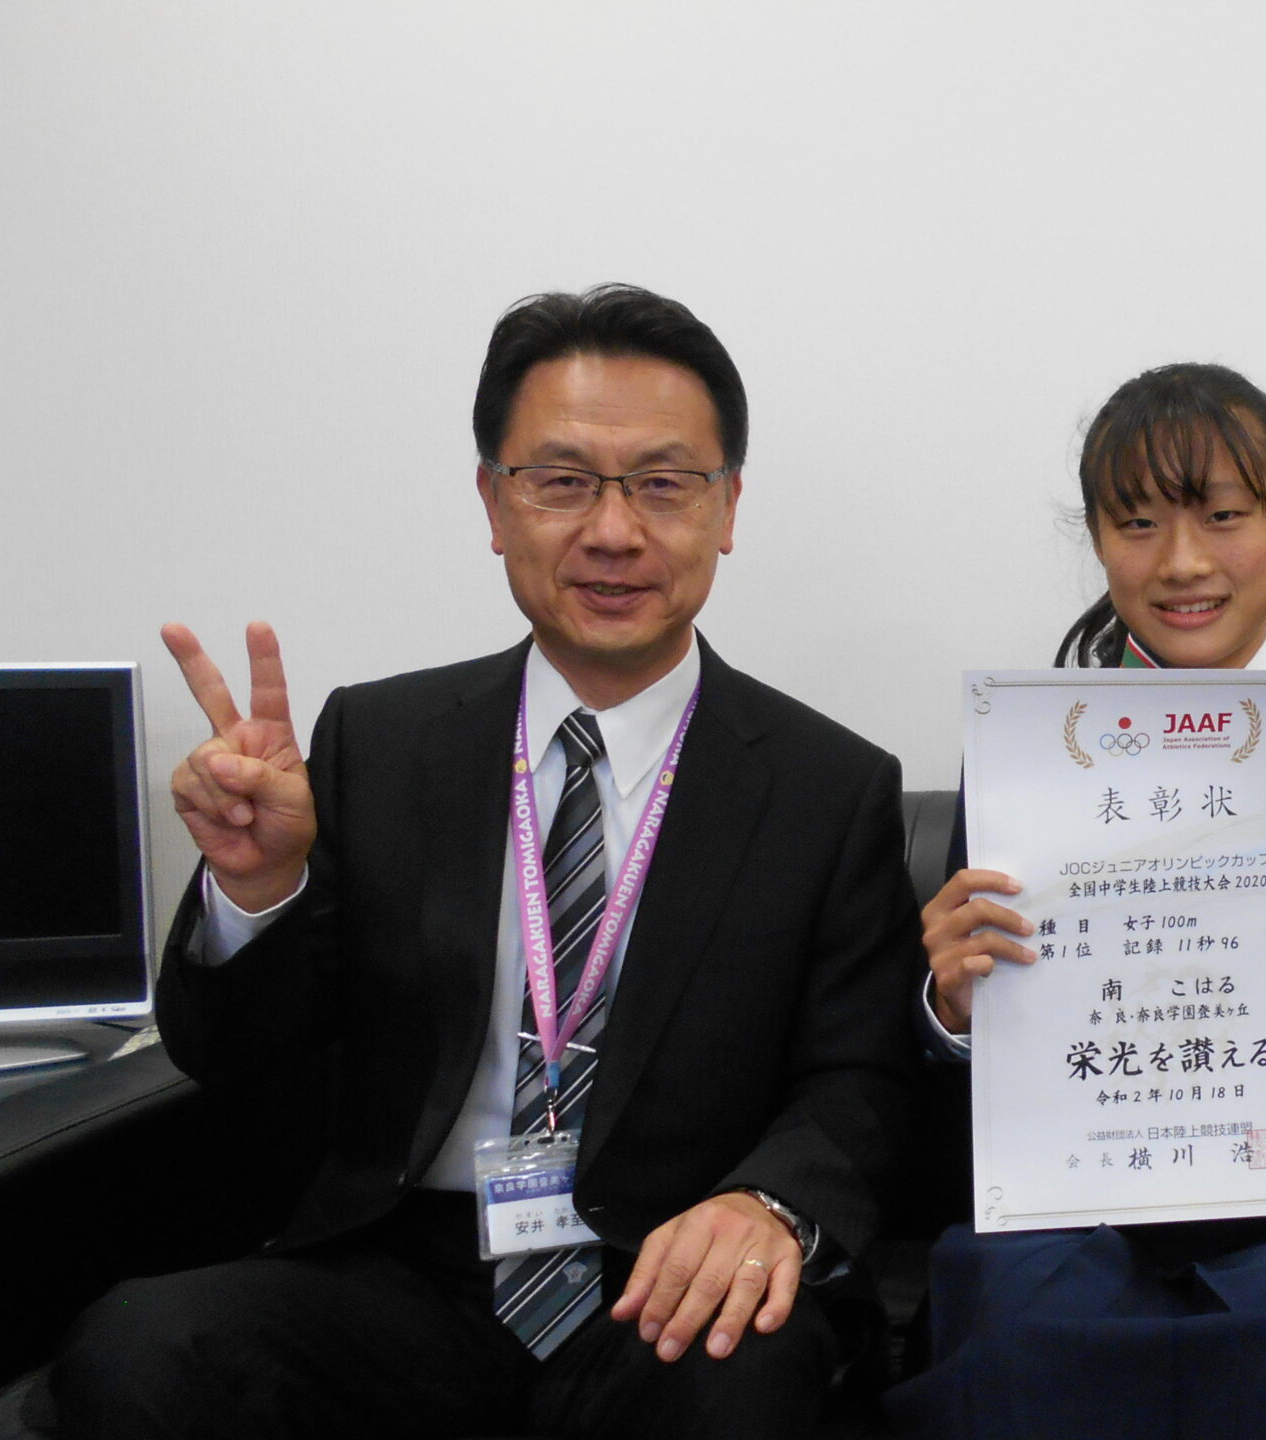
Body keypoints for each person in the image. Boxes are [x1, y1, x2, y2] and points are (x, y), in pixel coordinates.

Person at [54, 284, 922, 1439]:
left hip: (669, 1267)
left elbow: (859, 1077)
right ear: (493, 502)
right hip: (407, 1273)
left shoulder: (826, 786)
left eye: (663, 484)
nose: (612, 531)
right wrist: (258, 892)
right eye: (561, 481)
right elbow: (235, 1059)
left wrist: (769, 1204)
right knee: (141, 1347)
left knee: (741, 1380)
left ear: (727, 507)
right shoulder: (379, 743)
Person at [885, 362, 1266, 1439]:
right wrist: (952, 1008)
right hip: (1080, 1222)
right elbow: (963, 1105)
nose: (1182, 563)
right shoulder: (1028, 757)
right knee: (1026, 1329)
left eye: (1223, 516)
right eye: (1138, 523)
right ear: (1095, 537)